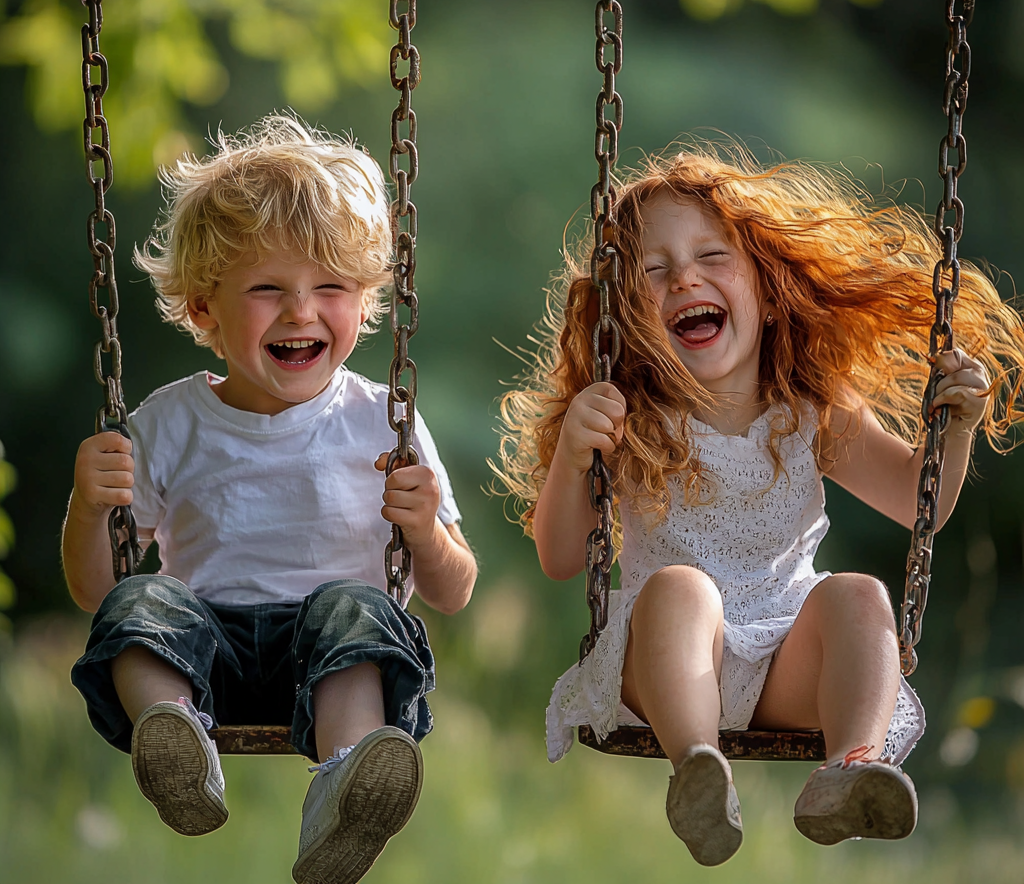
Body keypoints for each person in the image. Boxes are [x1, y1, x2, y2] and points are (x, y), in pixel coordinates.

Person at [495, 146, 1024, 866]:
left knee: (860, 597)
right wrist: (572, 455)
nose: (684, 276)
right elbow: (561, 558)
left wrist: (952, 432)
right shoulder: (629, 418)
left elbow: (915, 502)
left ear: (768, 293)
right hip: (663, 664)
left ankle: (849, 771)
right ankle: (699, 772)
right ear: (627, 320)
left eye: (711, 255)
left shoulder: (812, 412)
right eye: (654, 271)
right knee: (683, 589)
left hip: (784, 659)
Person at [62, 115, 477, 884]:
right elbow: (96, 593)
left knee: (355, 607)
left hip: (328, 661)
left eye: (331, 287)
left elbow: (451, 591)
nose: (300, 311)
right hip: (203, 653)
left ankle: (346, 783)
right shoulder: (167, 423)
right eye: (268, 289)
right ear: (204, 310)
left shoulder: (383, 419)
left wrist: (425, 531)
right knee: (144, 602)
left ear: (364, 301)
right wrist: (88, 507)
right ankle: (174, 741)